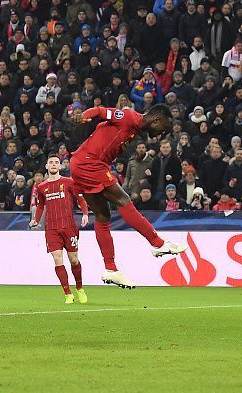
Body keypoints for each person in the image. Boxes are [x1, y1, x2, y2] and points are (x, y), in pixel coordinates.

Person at [71, 104, 187, 289]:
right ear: (156, 119)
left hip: (82, 164)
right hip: (90, 164)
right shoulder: (129, 117)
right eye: (163, 127)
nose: (161, 133)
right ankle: (157, 243)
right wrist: (85, 116)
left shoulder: (135, 129)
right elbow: (101, 111)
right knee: (124, 200)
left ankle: (111, 269)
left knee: (103, 216)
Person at [29, 155, 89, 304]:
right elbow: (41, 205)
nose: (54, 164)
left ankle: (80, 288)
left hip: (69, 226)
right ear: (47, 167)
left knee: (74, 260)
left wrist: (85, 214)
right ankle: (68, 293)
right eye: (51, 162)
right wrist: (36, 219)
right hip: (52, 228)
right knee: (57, 258)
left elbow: (80, 198)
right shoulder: (42, 187)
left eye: (57, 162)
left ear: (60, 166)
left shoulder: (69, 182)